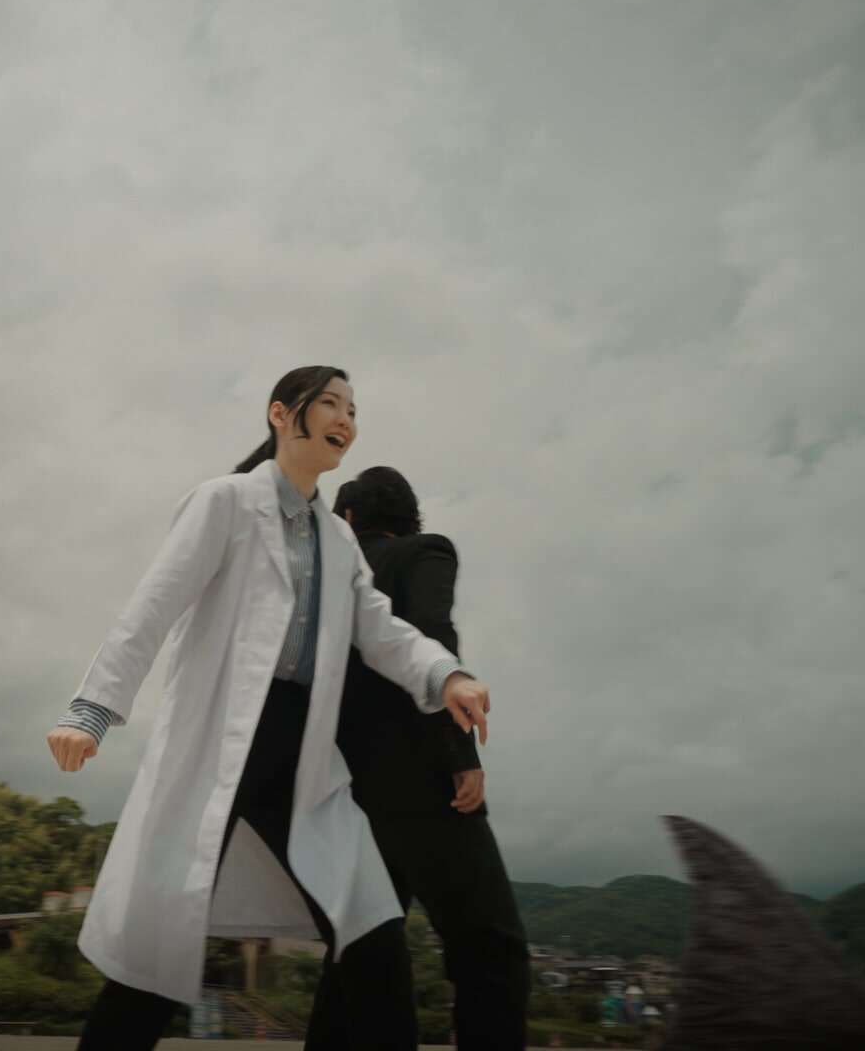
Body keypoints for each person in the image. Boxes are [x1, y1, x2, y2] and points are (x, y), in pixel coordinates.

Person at [45, 366, 493, 1050]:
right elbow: (151, 608)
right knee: (161, 944)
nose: (345, 419)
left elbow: (380, 629)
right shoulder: (225, 503)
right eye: (331, 403)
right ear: (282, 414)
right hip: (223, 740)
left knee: (371, 925)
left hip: (301, 754)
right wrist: (90, 712)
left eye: (353, 409)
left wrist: (446, 674)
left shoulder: (337, 540)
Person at [321, 466, 530, 1049]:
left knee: (359, 955)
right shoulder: (422, 552)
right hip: (421, 779)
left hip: (341, 789)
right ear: (409, 518)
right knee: (490, 947)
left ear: (349, 517)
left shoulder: (323, 576)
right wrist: (461, 753)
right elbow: (432, 632)